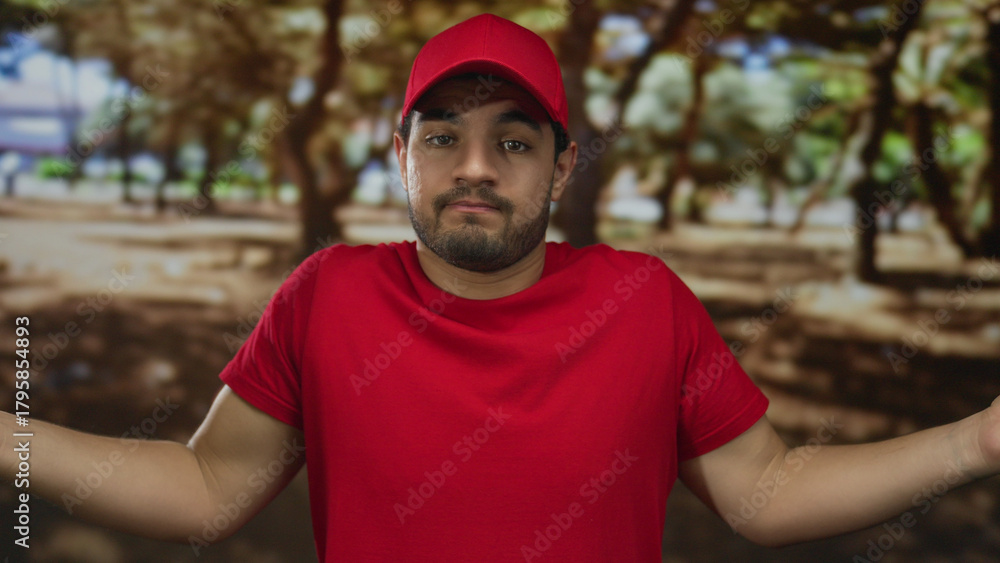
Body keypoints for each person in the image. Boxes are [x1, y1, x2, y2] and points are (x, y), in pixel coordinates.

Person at [3, 13, 999, 562]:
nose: (474, 166)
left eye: (512, 140)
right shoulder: (325, 294)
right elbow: (210, 487)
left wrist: (976, 440)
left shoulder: (644, 299)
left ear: (561, 169)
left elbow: (768, 493)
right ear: (400, 155)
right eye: (442, 136)